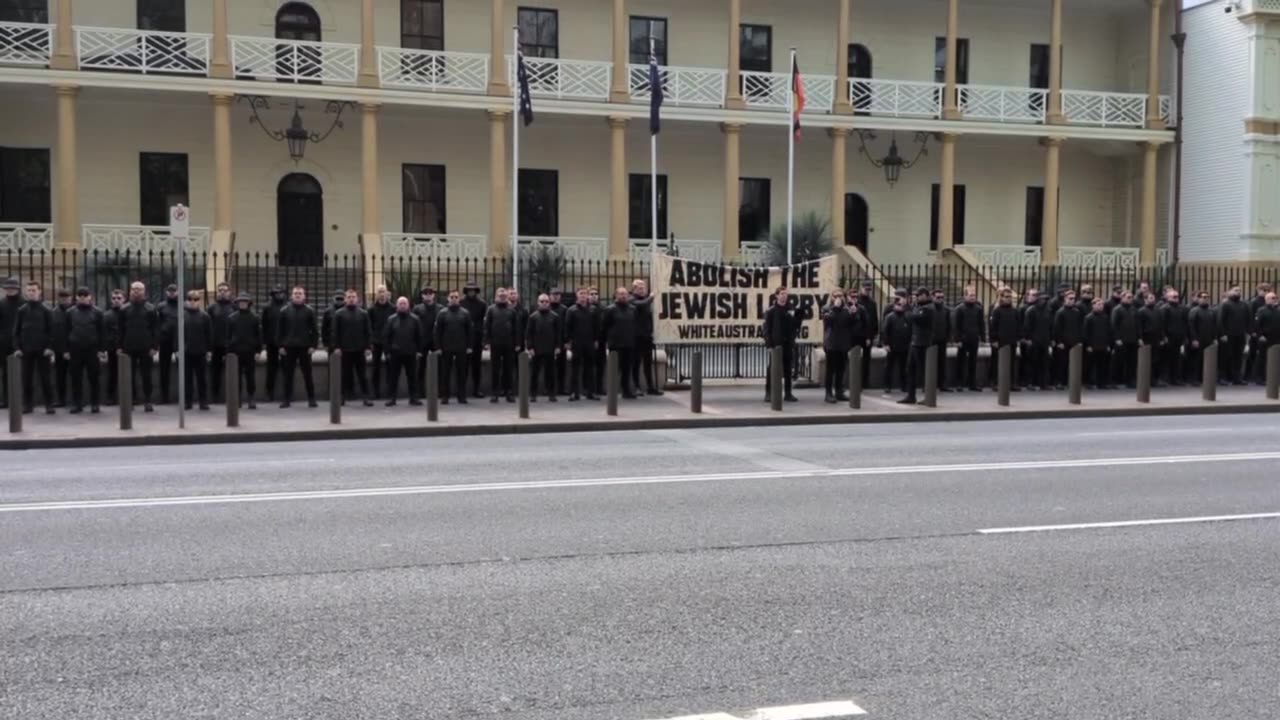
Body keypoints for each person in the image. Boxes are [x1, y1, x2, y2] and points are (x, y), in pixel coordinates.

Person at [12, 281, 56, 414]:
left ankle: (49, 404)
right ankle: (28, 404)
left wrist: (49, 347)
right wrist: (17, 348)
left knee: (46, 379)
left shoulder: (46, 310)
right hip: (26, 350)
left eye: (34, 290)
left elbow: (52, 331)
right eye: (29, 290)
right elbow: (16, 331)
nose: (31, 293)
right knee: (26, 379)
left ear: (39, 291)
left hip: (43, 350)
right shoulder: (22, 310)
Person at [119, 282, 158, 411]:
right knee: (129, 376)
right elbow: (120, 329)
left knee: (146, 375)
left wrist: (154, 347)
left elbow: (155, 330)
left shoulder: (151, 309)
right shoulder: (124, 309)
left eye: (139, 289)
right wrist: (120, 346)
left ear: (144, 291)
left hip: (146, 348)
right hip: (128, 347)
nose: (136, 292)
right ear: (130, 291)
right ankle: (131, 400)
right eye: (134, 289)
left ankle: (148, 400)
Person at [64, 287, 105, 414]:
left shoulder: (97, 312)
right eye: (80, 295)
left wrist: (101, 349)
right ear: (76, 297)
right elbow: (65, 331)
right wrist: (66, 350)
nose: (82, 297)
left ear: (90, 297)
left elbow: (102, 332)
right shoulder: (70, 312)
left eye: (85, 295)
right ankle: (77, 404)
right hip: (75, 349)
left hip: (92, 349)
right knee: (76, 378)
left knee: (94, 378)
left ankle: (95, 403)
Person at [277, 286, 319, 408]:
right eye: (295, 293)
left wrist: (313, 345)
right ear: (291, 295)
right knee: (287, 375)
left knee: (308, 374)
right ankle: (286, 399)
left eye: (300, 293)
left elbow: (315, 331)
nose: (297, 295)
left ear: (304, 296)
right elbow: (280, 330)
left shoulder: (309, 310)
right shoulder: (284, 311)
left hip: (305, 348)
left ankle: (311, 399)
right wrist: (280, 346)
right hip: (288, 347)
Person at [333, 289, 375, 407]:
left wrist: (368, 347)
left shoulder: (363, 313)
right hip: (345, 350)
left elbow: (368, 331)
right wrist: (337, 347)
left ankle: (366, 397)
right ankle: (341, 397)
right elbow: (335, 332)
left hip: (359, 349)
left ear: (357, 299)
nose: (351, 299)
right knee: (344, 376)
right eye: (349, 297)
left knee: (362, 375)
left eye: (353, 297)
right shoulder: (339, 314)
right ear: (345, 299)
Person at [383, 296, 424, 406]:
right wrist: (387, 352)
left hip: (411, 353)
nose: (402, 305)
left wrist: (419, 351)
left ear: (408, 305)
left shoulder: (415, 319)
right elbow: (387, 337)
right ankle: (391, 398)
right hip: (395, 353)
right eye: (400, 303)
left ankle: (413, 398)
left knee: (412, 377)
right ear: (397, 305)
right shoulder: (391, 319)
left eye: (404, 303)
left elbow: (419, 336)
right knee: (393, 377)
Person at [763, 287, 800, 403]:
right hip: (776, 344)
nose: (784, 296)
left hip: (788, 344)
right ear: (777, 296)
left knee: (788, 369)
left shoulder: (791, 309)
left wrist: (794, 317)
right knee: (772, 369)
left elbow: (796, 326)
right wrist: (769, 345)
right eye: (782, 294)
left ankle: (788, 393)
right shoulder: (771, 311)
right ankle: (769, 393)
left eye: (786, 294)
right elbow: (766, 329)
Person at [435, 289, 473, 404]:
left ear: (459, 299)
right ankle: (445, 396)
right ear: (448, 299)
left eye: (456, 297)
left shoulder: (465, 313)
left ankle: (461, 396)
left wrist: (469, 346)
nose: (454, 299)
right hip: (446, 348)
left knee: (462, 373)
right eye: (452, 297)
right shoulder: (442, 313)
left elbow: (470, 331)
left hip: (461, 348)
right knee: (445, 373)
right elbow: (437, 332)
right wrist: (438, 347)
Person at [601, 286, 639, 399]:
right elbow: (604, 327)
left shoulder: (633, 309)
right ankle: (612, 391)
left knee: (627, 369)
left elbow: (635, 325)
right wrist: (606, 342)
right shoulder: (610, 309)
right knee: (614, 369)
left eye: (625, 294)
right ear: (616, 295)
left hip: (629, 343)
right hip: (615, 345)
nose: (623, 296)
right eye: (621, 294)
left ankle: (626, 390)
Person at [900, 287, 935, 405]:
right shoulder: (918, 307)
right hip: (915, 342)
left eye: (918, 295)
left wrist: (907, 308)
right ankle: (911, 395)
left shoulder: (929, 308)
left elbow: (916, 318)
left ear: (925, 295)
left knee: (924, 371)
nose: (916, 298)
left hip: (923, 344)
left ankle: (928, 396)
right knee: (910, 370)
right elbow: (910, 318)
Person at [227, 291, 262, 409]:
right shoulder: (232, 318)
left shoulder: (254, 318)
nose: (242, 304)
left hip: (249, 351)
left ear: (249, 303)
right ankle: (237, 399)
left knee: (250, 376)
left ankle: (251, 398)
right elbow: (227, 335)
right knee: (236, 377)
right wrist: (229, 351)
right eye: (241, 302)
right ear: (237, 303)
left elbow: (258, 335)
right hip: (235, 351)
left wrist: (258, 351)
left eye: (245, 302)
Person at [484, 287, 519, 403]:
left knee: (509, 369)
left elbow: (516, 328)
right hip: (495, 343)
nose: (502, 296)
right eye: (500, 294)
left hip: (509, 344)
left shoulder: (512, 310)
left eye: (504, 294)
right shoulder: (491, 310)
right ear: (496, 296)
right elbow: (487, 327)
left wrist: (517, 343)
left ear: (507, 297)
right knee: (495, 369)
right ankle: (495, 393)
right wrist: (487, 342)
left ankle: (509, 392)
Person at [526, 293, 562, 402]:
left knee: (550, 373)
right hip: (536, 350)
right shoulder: (533, 317)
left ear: (549, 302)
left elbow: (558, 333)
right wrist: (530, 347)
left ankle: (551, 394)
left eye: (546, 301)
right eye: (542, 301)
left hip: (550, 349)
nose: (544, 303)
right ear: (538, 303)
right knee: (534, 374)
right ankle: (533, 394)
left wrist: (558, 346)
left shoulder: (555, 316)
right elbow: (529, 334)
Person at [821, 289, 855, 403]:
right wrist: (835, 308)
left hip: (843, 344)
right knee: (830, 370)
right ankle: (828, 393)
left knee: (841, 369)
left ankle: (839, 391)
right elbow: (828, 321)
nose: (839, 298)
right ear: (832, 297)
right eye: (836, 296)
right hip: (831, 344)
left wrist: (854, 314)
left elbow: (852, 324)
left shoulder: (846, 310)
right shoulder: (827, 309)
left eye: (840, 296)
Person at [565, 288, 599, 401]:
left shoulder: (593, 309)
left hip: (589, 342)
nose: (583, 296)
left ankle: (591, 392)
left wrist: (596, 340)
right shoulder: (571, 310)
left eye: (585, 294)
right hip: (576, 342)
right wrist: (568, 342)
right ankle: (574, 392)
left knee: (590, 368)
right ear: (577, 296)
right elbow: (567, 327)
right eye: (581, 294)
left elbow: (596, 327)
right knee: (575, 368)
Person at [182, 290, 213, 411]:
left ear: (199, 301)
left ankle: (203, 401)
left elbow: (209, 334)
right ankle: (187, 402)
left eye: (195, 299)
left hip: (201, 351)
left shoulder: (205, 316)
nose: (192, 302)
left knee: (202, 379)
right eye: (190, 299)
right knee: (187, 379)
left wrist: (209, 350)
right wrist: (178, 349)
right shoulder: (183, 315)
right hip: (187, 351)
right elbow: (178, 334)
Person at [988, 287, 1022, 392]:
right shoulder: (997, 311)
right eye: (1006, 297)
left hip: (1011, 341)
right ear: (1001, 298)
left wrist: (1017, 338)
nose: (1009, 299)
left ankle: (1011, 383)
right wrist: (993, 340)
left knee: (1011, 363)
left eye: (1010, 297)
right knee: (997, 363)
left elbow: (1018, 325)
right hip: (999, 342)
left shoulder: (1015, 311)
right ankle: (996, 383)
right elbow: (992, 327)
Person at [952, 286, 985, 392]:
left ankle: (972, 384)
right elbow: (956, 326)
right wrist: (957, 340)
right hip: (963, 339)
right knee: (960, 362)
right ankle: (959, 383)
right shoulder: (959, 309)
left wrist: (983, 337)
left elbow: (981, 324)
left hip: (974, 338)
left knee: (973, 362)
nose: (973, 297)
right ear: (965, 296)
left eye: (974, 295)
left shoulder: (978, 308)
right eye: (970, 295)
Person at [1217, 286, 1251, 385]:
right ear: (1230, 292)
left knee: (1238, 357)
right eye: (1236, 290)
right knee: (1225, 356)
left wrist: (1248, 332)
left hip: (1240, 335)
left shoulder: (1244, 305)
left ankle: (1237, 378)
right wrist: (1223, 334)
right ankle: (1222, 377)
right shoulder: (1225, 304)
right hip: (1228, 335)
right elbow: (1220, 320)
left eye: (1239, 291)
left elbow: (1248, 320)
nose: (1238, 292)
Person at [631, 280, 660, 395]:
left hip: (647, 336)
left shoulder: (646, 301)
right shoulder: (631, 299)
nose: (642, 290)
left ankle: (650, 387)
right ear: (634, 289)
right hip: (636, 336)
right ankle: (637, 387)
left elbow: (649, 318)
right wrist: (651, 297)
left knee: (648, 363)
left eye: (643, 288)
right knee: (636, 363)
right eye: (639, 288)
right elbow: (641, 305)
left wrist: (653, 331)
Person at [207, 282, 234, 403]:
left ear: (229, 292)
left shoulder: (234, 307)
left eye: (225, 290)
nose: (222, 292)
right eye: (220, 290)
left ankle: (232, 396)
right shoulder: (212, 308)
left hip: (231, 344)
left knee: (232, 372)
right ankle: (215, 395)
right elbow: (207, 327)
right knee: (215, 372)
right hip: (216, 345)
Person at [460, 280, 487, 398]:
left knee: (476, 366)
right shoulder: (461, 302)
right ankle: (462, 390)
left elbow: (483, 321)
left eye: (473, 290)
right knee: (463, 366)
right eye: (469, 290)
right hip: (463, 338)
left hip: (477, 337)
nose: (471, 292)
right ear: (466, 291)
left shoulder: (482, 304)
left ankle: (476, 389)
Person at [1052, 290, 1083, 390]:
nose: (1072, 301)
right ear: (1065, 299)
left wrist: (1079, 340)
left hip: (1074, 341)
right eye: (1070, 298)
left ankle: (1070, 381)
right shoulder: (1060, 312)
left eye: (1073, 299)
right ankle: (1059, 382)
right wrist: (1059, 341)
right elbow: (1057, 328)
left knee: (1073, 364)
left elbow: (1079, 327)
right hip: (1063, 343)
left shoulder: (1076, 312)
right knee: (1061, 363)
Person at [1021, 288, 1052, 390]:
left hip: (1044, 340)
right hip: (1034, 341)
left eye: (1045, 299)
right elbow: (1027, 326)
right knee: (1031, 362)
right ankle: (1030, 382)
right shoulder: (1031, 311)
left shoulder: (1047, 311)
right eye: (1042, 299)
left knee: (1044, 363)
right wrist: (1027, 338)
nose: (1043, 301)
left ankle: (1043, 383)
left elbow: (1049, 326)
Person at [261, 286, 287, 401]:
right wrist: (265, 341)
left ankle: (287, 393)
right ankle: (269, 391)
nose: (279, 295)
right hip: (271, 342)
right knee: (271, 368)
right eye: (277, 293)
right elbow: (264, 325)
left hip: (285, 342)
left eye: (281, 293)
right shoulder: (267, 307)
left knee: (287, 368)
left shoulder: (287, 307)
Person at [413, 286, 440, 398]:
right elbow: (413, 326)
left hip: (436, 342)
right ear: (422, 295)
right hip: (422, 342)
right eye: (425, 293)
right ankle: (420, 392)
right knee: (420, 368)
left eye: (430, 293)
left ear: (433, 295)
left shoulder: (440, 308)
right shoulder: (417, 309)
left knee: (439, 368)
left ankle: (439, 391)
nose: (428, 295)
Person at [880, 296, 911, 394]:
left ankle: (904, 385)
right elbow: (885, 331)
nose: (901, 307)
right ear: (895, 305)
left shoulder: (906, 316)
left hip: (904, 346)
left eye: (902, 305)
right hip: (892, 346)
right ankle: (887, 386)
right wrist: (886, 343)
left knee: (904, 367)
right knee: (889, 367)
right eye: (899, 305)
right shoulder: (890, 317)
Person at [368, 285, 394, 398]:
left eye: (383, 291)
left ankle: (390, 392)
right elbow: (369, 327)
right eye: (379, 291)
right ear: (377, 294)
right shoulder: (371, 309)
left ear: (387, 293)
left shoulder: (393, 308)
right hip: (376, 341)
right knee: (375, 368)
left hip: (389, 342)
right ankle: (375, 392)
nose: (382, 294)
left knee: (391, 367)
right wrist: (370, 342)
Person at [1110, 291, 1140, 388]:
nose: (1130, 299)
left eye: (1131, 297)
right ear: (1122, 298)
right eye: (1128, 297)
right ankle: (1116, 381)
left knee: (1132, 361)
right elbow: (1114, 325)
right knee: (1119, 361)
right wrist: (1117, 338)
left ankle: (1130, 380)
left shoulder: (1134, 309)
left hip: (1132, 339)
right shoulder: (1117, 310)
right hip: (1121, 340)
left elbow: (1137, 325)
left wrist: (1138, 337)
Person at [1187, 291, 1217, 385]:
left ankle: (1203, 378)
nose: (1205, 299)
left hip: (1208, 339)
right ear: (1199, 298)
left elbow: (1214, 326)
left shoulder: (1211, 311)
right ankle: (1194, 379)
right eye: (1203, 297)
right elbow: (1191, 326)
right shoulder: (1194, 311)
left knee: (1207, 360)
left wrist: (1214, 338)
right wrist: (1194, 339)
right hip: (1198, 339)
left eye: (1207, 297)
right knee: (1196, 360)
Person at [1159, 289, 1189, 385]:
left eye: (1177, 296)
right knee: (1166, 358)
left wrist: (1185, 337)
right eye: (1174, 297)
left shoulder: (1182, 309)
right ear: (1168, 298)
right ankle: (1165, 378)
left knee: (1178, 358)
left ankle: (1176, 378)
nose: (1176, 298)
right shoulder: (1164, 309)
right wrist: (1164, 336)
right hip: (1169, 336)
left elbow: (1185, 323)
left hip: (1179, 337)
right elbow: (1162, 324)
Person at [0, 277, 21, 409]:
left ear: (17, 289)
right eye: (8, 288)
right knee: (5, 373)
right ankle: (6, 399)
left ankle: (22, 399)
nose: (10, 290)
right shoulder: (1, 303)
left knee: (22, 372)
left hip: (20, 343)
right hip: (4, 342)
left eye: (12, 288)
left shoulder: (23, 303)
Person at [1082, 298, 1113, 390]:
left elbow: (1109, 331)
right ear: (1093, 305)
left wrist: (1108, 344)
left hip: (1103, 345)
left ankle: (1101, 383)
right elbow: (1085, 333)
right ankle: (1088, 382)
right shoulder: (1088, 318)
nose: (1101, 306)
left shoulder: (1105, 317)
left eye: (1101, 304)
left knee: (1102, 365)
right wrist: (1088, 345)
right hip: (1092, 345)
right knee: (1090, 365)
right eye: (1098, 304)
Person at [1137, 291, 1166, 386]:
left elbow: (1161, 325)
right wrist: (1140, 338)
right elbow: (1139, 326)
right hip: (1147, 338)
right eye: (1150, 298)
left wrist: (1162, 337)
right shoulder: (1141, 311)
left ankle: (1155, 379)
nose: (1153, 300)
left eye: (1153, 298)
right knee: (1146, 360)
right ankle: (1146, 379)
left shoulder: (1158, 311)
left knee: (1156, 360)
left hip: (1156, 338)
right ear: (1145, 299)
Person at [157, 284, 179, 403]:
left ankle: (184, 396)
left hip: (180, 341)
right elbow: (157, 324)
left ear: (178, 292)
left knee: (183, 369)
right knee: (164, 369)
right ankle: (164, 396)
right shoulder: (161, 306)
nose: (172, 293)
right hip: (165, 341)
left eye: (174, 291)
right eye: (170, 291)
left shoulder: (183, 305)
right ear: (166, 292)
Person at [1246, 283, 1272, 384]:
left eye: (1268, 290)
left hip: (1267, 333)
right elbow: (1250, 318)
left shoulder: (1269, 302)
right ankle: (1248, 375)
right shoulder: (1254, 302)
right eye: (1264, 290)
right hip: (1256, 333)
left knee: (1263, 355)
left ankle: (1260, 375)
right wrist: (1252, 331)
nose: (1266, 292)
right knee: (1253, 354)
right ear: (1259, 290)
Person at [102, 289, 125, 406]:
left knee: (128, 374)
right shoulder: (106, 315)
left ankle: (132, 397)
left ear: (123, 299)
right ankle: (111, 397)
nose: (116, 300)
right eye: (114, 298)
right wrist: (104, 349)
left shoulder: (127, 312)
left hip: (126, 349)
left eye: (119, 298)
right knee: (112, 374)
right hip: (112, 349)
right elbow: (104, 333)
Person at [51, 288, 72, 407]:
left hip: (74, 349)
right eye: (62, 298)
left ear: (70, 298)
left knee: (75, 375)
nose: (64, 301)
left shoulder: (74, 311)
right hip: (59, 349)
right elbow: (52, 332)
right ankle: (61, 399)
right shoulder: (54, 312)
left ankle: (76, 398)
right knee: (60, 376)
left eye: (66, 298)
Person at [1253, 291, 1280, 384]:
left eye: (1276, 297)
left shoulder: (1277, 310)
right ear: (1267, 299)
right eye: (1273, 298)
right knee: (1262, 358)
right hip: (1265, 338)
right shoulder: (1262, 310)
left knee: (1275, 358)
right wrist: (1260, 335)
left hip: (1276, 339)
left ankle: (1272, 377)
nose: (1275, 299)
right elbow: (1257, 325)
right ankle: (1260, 378)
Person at [856, 282, 879, 391]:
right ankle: (856, 382)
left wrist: (872, 335)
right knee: (855, 359)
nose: (867, 291)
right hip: (856, 334)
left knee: (866, 360)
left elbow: (874, 320)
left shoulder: (872, 303)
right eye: (866, 289)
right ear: (861, 288)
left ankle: (865, 382)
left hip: (867, 335)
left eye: (869, 289)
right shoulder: (857, 301)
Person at [548, 288, 569, 395]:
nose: (555, 296)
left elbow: (567, 326)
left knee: (562, 366)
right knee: (548, 366)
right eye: (553, 294)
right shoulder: (546, 308)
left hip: (561, 341)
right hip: (548, 342)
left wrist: (566, 341)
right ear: (549, 295)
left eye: (557, 294)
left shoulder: (564, 309)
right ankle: (548, 388)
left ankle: (561, 388)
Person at [931, 289, 952, 392]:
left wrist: (948, 337)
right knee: (930, 363)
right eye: (938, 297)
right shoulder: (929, 309)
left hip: (942, 340)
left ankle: (942, 384)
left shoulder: (946, 310)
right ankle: (929, 384)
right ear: (933, 297)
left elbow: (949, 325)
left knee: (942, 363)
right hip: (931, 341)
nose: (940, 299)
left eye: (942, 297)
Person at [320, 289, 345, 354]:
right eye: (338, 299)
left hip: (346, 344)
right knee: (333, 363)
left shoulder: (348, 311)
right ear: (334, 298)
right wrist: (325, 344)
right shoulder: (328, 311)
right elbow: (324, 329)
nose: (339, 301)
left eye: (341, 299)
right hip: (332, 344)